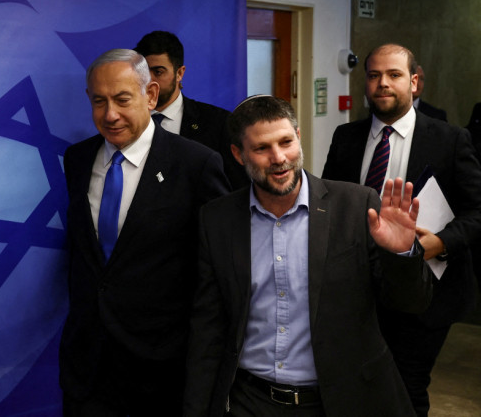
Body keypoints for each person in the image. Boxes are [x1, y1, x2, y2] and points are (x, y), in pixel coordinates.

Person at [184, 95, 432, 417]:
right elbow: (208, 328)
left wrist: (401, 252)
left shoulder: (355, 206)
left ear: (298, 137)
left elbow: (410, 303)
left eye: (286, 142)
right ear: (237, 153)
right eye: (261, 148)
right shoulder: (217, 220)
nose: (279, 158)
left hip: (343, 400)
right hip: (251, 401)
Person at [60, 48, 230, 416]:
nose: (110, 115)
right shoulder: (76, 159)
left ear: (151, 95)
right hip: (87, 368)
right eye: (98, 102)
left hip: (162, 371)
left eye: (122, 100)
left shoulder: (196, 164)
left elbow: (219, 267)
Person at [322, 43, 481, 416]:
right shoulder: (346, 138)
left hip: (426, 289)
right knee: (361, 384)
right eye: (374, 75)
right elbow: (329, 204)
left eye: (393, 75)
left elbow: (477, 211)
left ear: (414, 82)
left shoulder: (450, 139)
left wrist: (437, 243)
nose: (382, 84)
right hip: (359, 287)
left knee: (406, 387)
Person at [134, 30, 249, 190]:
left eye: (158, 72)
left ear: (179, 73)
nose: (150, 81)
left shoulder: (219, 123)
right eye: (145, 73)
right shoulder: (127, 122)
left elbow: (237, 188)